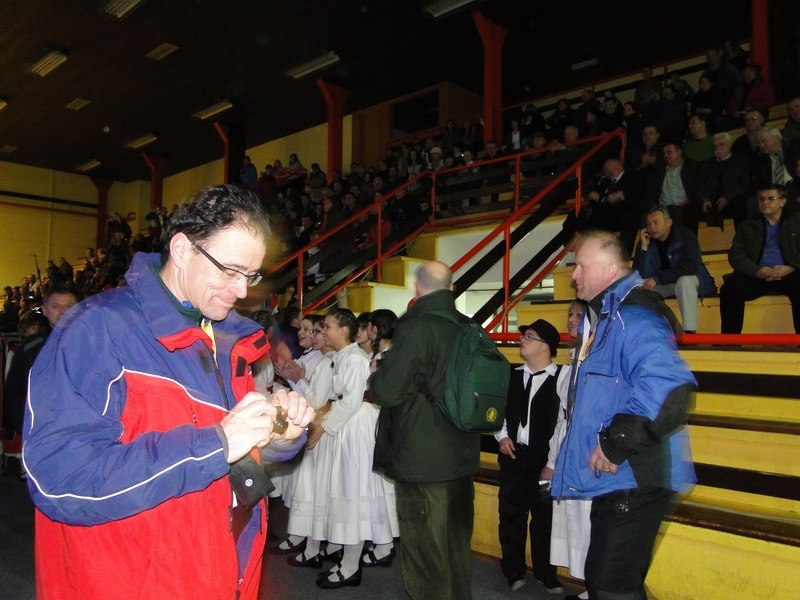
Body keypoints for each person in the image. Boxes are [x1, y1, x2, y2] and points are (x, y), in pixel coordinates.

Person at [23, 184, 315, 600]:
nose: (241, 291)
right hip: (126, 582)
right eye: (229, 270)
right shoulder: (98, 329)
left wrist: (279, 435)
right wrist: (215, 444)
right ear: (181, 249)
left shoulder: (225, 340)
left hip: (213, 572)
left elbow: (229, 458)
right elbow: (60, 481)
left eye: (250, 275)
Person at [552, 231, 696, 600]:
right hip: (619, 477)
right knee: (612, 582)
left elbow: (671, 390)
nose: (574, 275)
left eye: (582, 266)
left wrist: (615, 443)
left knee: (610, 584)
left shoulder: (633, 317)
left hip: (637, 475)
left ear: (610, 268)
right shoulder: (605, 319)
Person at [369, 261, 480, 600]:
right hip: (462, 455)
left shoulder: (416, 327)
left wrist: (376, 375)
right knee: (455, 550)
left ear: (417, 289)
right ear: (452, 288)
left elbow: (387, 391)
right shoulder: (469, 327)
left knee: (424, 556)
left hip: (422, 460)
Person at [494, 318, 567, 594]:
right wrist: (502, 437)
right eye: (523, 336)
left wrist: (552, 463)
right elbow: (498, 411)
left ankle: (546, 572)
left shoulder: (561, 378)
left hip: (544, 460)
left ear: (546, 346)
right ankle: (513, 569)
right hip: (514, 456)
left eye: (530, 336)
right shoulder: (511, 375)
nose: (522, 340)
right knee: (510, 515)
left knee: (544, 519)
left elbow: (563, 423)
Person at [545, 300, 591, 600]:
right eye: (570, 314)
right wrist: (553, 460)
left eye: (579, 315)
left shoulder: (596, 360)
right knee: (574, 518)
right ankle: (590, 585)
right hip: (568, 447)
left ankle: (596, 586)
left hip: (588, 450)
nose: (572, 319)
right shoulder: (570, 362)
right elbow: (563, 418)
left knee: (589, 520)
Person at [720, 185, 800, 334]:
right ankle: (730, 341)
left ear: (782, 201)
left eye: (770, 198)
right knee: (730, 289)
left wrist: (790, 267)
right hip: (757, 275)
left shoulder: (796, 222)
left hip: (790, 273)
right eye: (761, 199)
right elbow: (736, 255)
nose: (765, 202)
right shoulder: (747, 225)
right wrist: (756, 271)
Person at [633, 206, 716, 333]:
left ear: (669, 222)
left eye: (656, 222)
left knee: (684, 282)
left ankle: (690, 332)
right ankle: (670, 330)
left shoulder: (685, 236)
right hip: (666, 284)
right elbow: (639, 275)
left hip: (696, 281)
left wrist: (658, 278)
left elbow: (690, 267)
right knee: (640, 291)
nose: (652, 227)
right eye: (649, 224)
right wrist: (643, 249)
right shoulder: (649, 242)